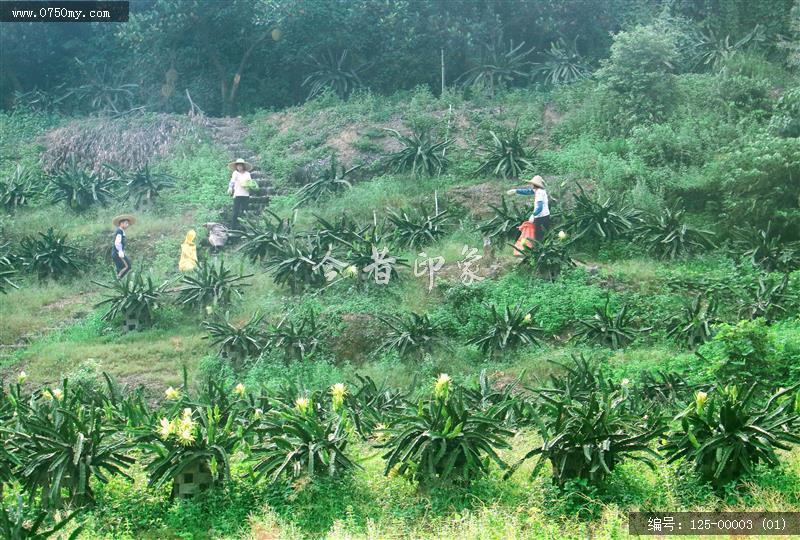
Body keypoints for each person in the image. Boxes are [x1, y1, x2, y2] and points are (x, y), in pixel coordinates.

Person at [506, 175, 550, 241]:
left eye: (532, 183)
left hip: (541, 217)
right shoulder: (538, 190)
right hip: (545, 216)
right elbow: (528, 191)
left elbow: (540, 207)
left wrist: (533, 215)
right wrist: (516, 191)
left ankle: (538, 249)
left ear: (534, 184)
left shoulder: (539, 193)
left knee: (539, 237)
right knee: (544, 236)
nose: (531, 185)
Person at [227, 158, 254, 229]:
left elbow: (250, 183)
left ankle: (244, 227)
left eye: (240, 165)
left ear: (243, 166)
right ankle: (233, 228)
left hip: (245, 194)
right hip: (237, 194)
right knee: (235, 212)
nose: (239, 167)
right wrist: (230, 188)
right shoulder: (235, 173)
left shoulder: (247, 174)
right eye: (238, 166)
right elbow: (232, 181)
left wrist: (250, 186)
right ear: (236, 166)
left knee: (244, 211)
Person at [111, 214, 135, 279]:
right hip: (117, 252)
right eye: (126, 223)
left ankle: (118, 280)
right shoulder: (119, 231)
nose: (128, 225)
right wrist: (120, 251)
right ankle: (118, 280)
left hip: (117, 252)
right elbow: (117, 242)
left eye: (128, 224)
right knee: (127, 266)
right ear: (121, 223)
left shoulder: (121, 231)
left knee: (121, 267)